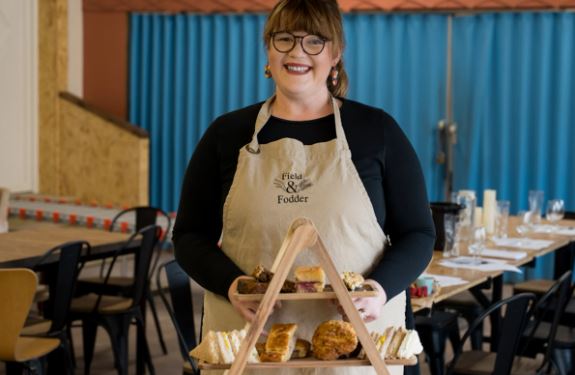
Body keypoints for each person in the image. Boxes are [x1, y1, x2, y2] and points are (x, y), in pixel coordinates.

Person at [173, 0, 435, 373]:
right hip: (252, 344)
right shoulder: (226, 134)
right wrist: (232, 285)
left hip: (356, 348)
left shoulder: (376, 131)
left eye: (314, 41)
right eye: (285, 39)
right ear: (268, 48)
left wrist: (378, 289)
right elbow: (188, 236)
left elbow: (419, 233)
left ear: (336, 53)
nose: (297, 52)